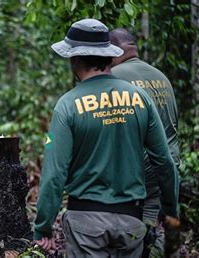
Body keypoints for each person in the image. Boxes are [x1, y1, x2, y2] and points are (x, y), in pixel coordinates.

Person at [33, 19, 179, 257]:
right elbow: (164, 161)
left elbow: (54, 175)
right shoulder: (140, 98)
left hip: (85, 225)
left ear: (74, 59)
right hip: (132, 221)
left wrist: (43, 228)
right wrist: (170, 210)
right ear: (109, 57)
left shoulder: (67, 105)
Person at [109, 28, 180, 257]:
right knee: (150, 228)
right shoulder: (162, 78)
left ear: (113, 50)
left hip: (134, 172)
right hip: (167, 168)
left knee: (127, 235)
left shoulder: (114, 78)